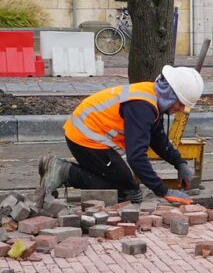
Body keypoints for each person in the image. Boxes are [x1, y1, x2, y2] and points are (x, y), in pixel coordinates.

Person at [38, 65, 204, 205]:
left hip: (93, 135)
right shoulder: (142, 106)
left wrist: (179, 163)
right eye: (181, 104)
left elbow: (157, 138)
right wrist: (163, 191)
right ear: (171, 95)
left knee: (127, 186)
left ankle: (67, 171)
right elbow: (136, 157)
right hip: (84, 136)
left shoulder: (153, 98)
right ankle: (64, 171)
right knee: (124, 184)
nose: (181, 109)